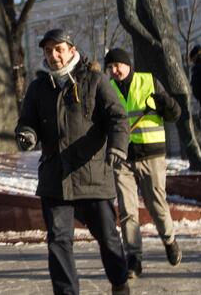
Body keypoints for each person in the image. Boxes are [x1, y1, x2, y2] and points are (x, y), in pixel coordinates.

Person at [16, 29, 131, 295]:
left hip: (92, 175)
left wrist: (118, 147)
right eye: (48, 51)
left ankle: (120, 284)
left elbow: (117, 117)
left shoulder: (94, 80)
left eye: (58, 49)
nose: (53, 55)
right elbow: (26, 122)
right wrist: (27, 134)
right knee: (58, 241)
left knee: (108, 237)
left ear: (71, 49)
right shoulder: (38, 87)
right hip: (55, 178)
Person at [116, 0, 201, 170]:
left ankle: (191, 155)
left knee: (180, 99)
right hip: (153, 50)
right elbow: (127, 16)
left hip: (170, 47)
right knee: (168, 99)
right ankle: (182, 156)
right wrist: (151, 42)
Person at [104, 48, 183, 279]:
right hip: (122, 157)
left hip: (151, 155)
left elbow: (175, 114)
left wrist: (166, 104)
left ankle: (169, 240)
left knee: (156, 204)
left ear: (128, 64)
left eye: (118, 65)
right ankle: (134, 258)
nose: (115, 70)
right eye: (111, 67)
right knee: (128, 211)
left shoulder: (148, 81)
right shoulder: (107, 89)